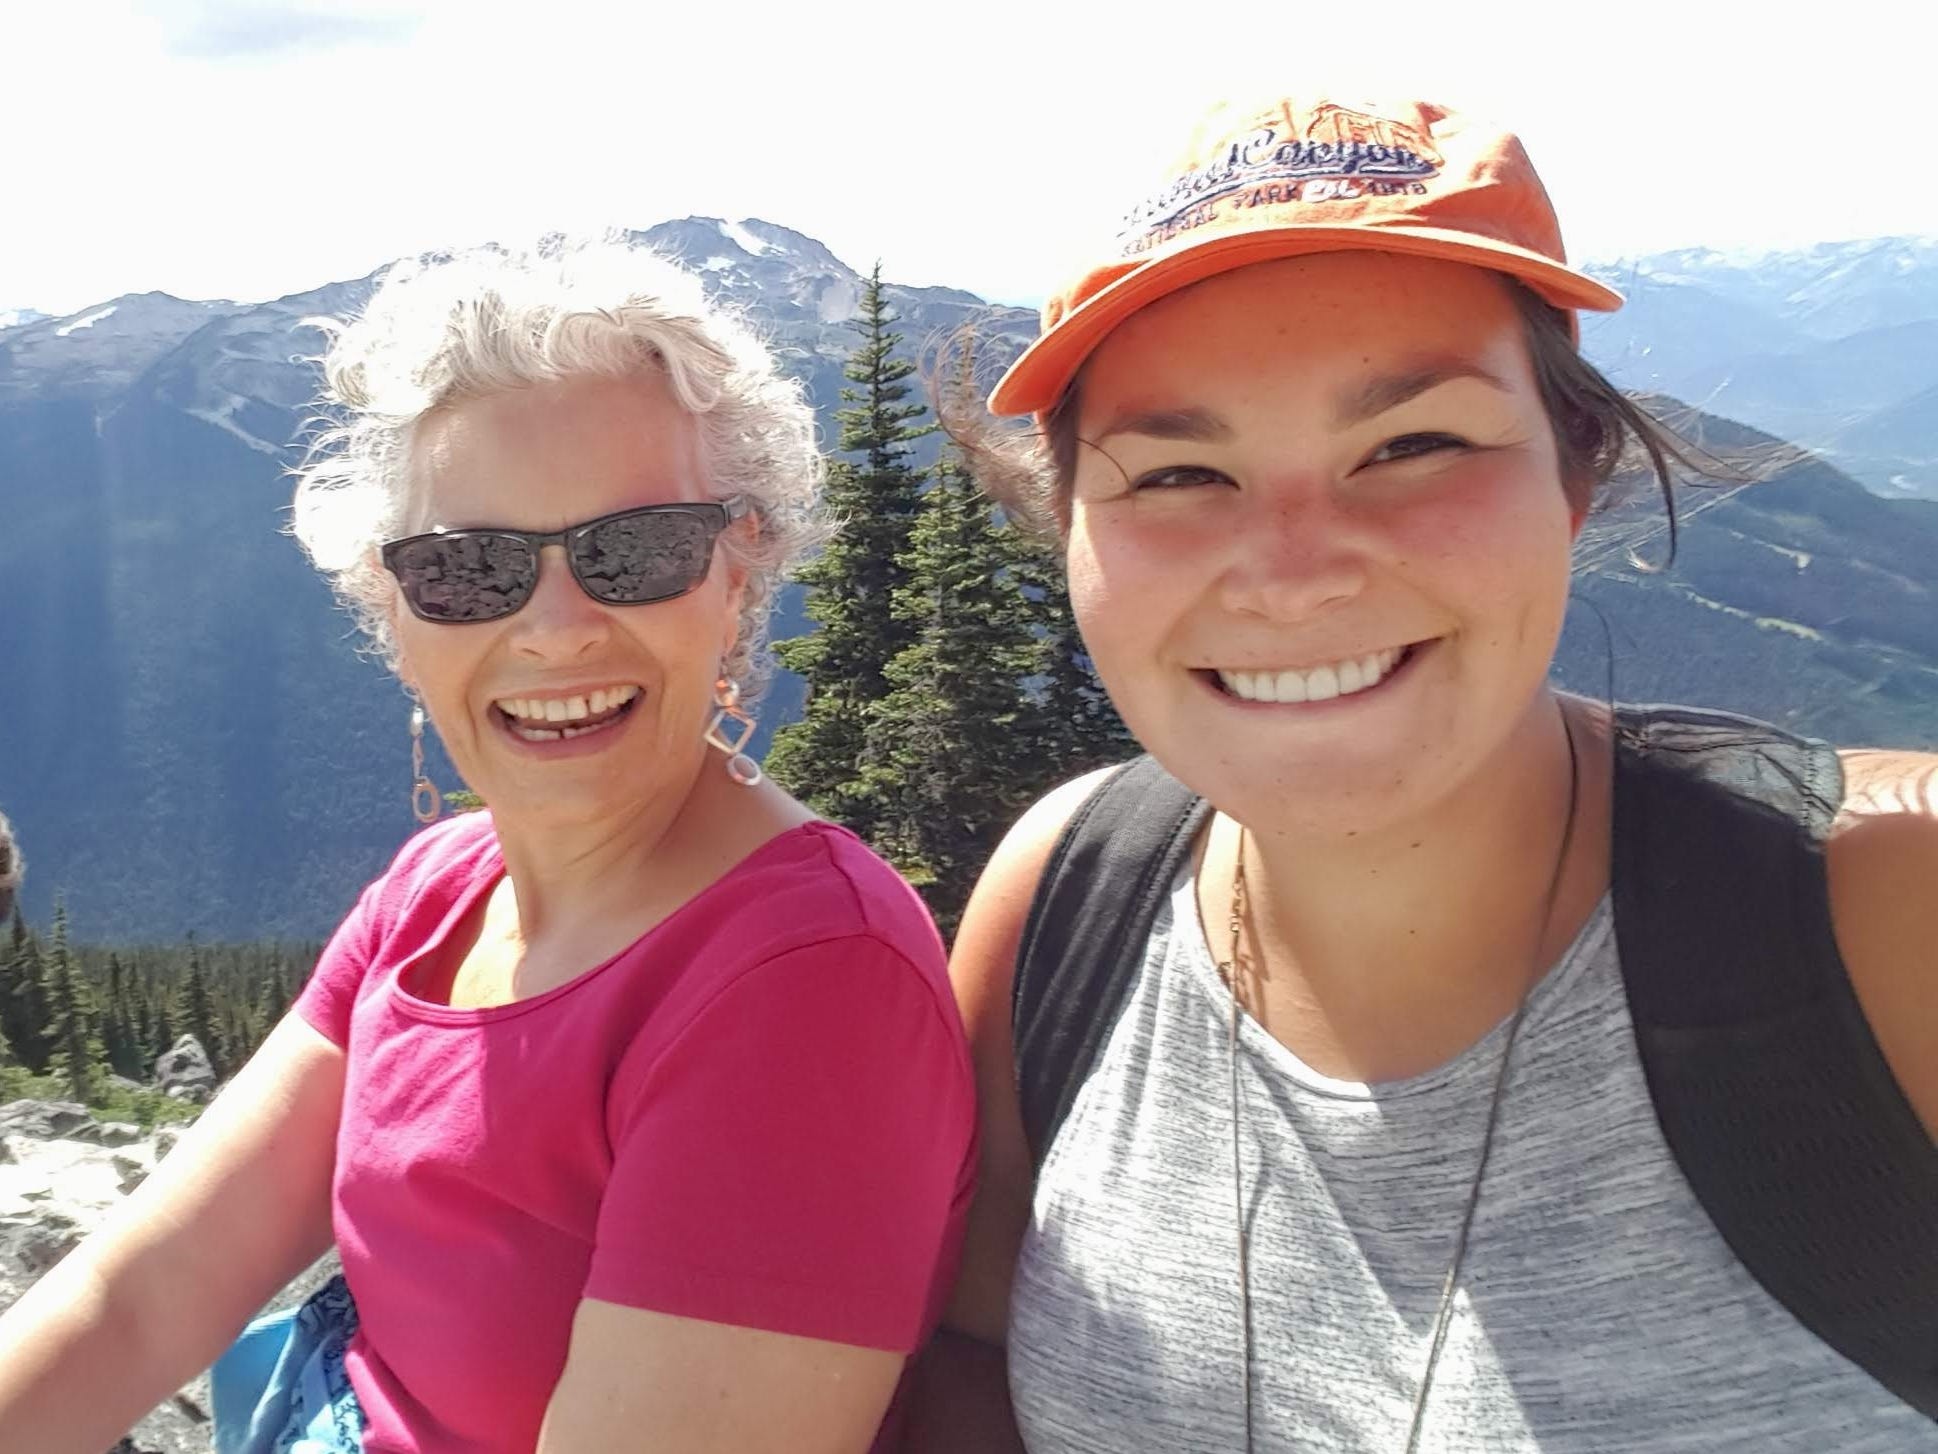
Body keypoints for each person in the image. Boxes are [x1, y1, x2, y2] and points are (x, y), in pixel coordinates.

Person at [915, 96, 1938, 1452]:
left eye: (1410, 445)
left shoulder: (1881, 915)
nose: (1291, 568)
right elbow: (973, 1371)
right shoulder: (1061, 898)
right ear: (1070, 531)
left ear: (1574, 472)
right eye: (1175, 471)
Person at [0, 237, 977, 1454]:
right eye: (468, 569)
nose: (557, 627)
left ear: (740, 570)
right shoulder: (438, 892)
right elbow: (136, 1301)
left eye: (637, 549)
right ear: (392, 612)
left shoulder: (807, 981)